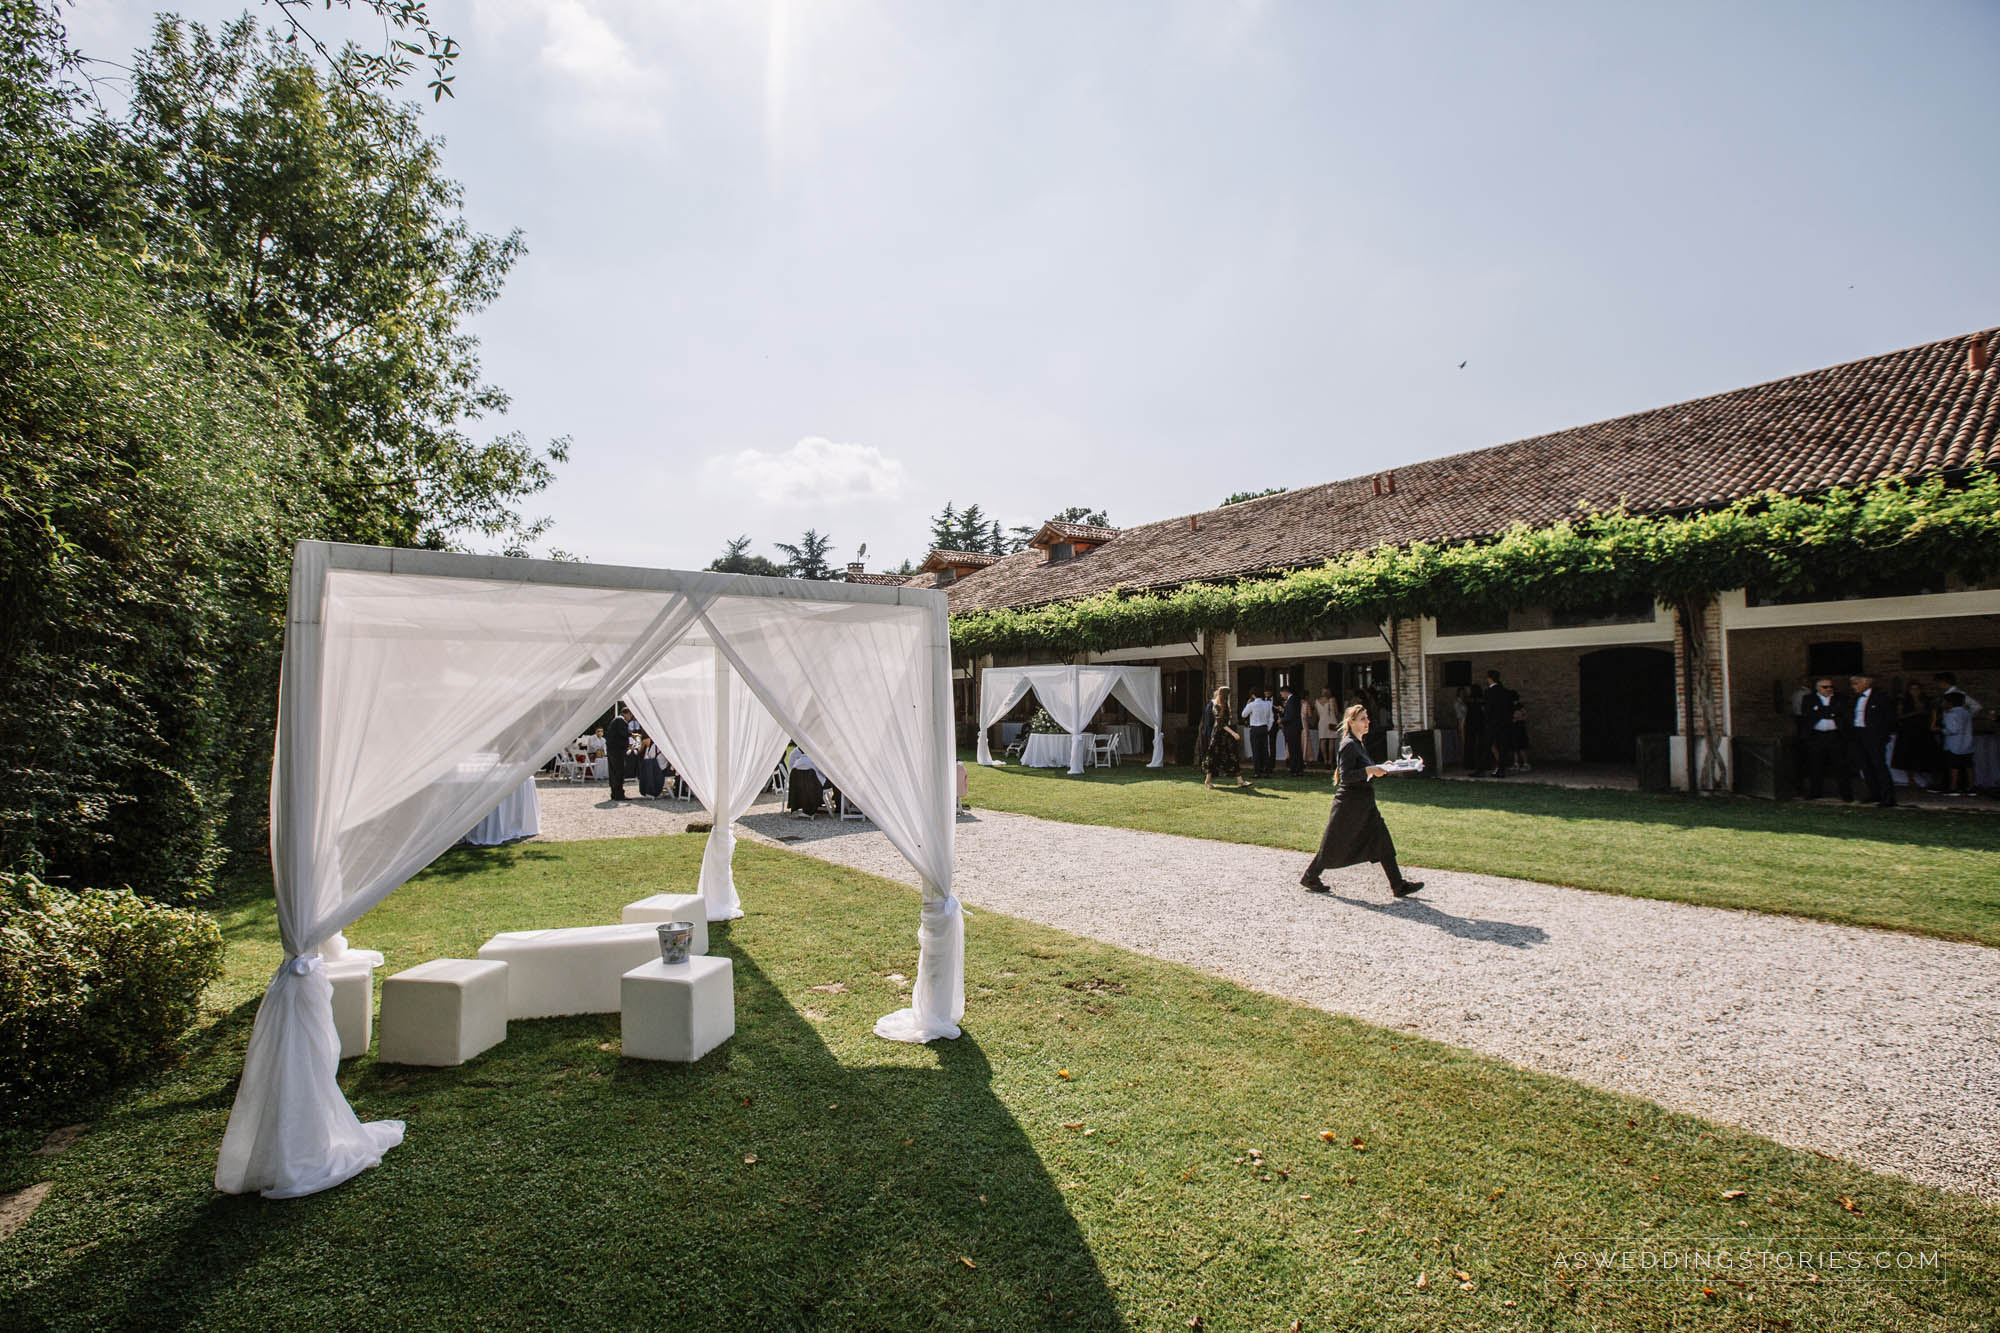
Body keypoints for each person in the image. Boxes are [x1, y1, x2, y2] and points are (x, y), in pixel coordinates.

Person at [1299, 703, 1424, 897]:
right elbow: (1346, 775)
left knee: (1382, 839)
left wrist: (1383, 767)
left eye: (1367, 718)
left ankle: (1398, 885)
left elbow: (1364, 771)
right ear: (1352, 722)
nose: (1368, 722)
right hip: (1349, 804)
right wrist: (1370, 770)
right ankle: (1310, 876)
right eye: (1363, 719)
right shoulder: (1349, 744)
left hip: (1364, 803)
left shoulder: (1358, 743)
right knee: (1334, 842)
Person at [1848, 672, 1895, 806]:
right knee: (1865, 766)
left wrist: (1883, 736)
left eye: (1856, 683)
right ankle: (1874, 793)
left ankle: (1888, 797)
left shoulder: (1880, 698)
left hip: (1874, 736)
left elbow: (1889, 718)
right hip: (1859, 734)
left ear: (1866, 683)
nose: (1853, 686)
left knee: (1879, 765)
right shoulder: (1855, 699)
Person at [1797, 677, 1847, 801]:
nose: (1829, 689)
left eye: (1831, 686)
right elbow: (1807, 714)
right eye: (1825, 687)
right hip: (1816, 736)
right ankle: (1815, 791)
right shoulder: (1809, 699)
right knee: (1815, 764)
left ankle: (1845, 793)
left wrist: (1820, 710)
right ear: (1818, 688)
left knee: (1839, 765)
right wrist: (1830, 712)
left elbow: (1842, 712)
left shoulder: (1839, 698)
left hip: (1834, 735)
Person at [1199, 686, 1250, 789]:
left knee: (1232, 756)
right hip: (1219, 735)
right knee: (1214, 757)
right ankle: (1207, 781)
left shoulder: (1223, 705)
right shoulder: (1217, 706)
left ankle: (1240, 781)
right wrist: (1233, 733)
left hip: (1223, 735)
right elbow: (1220, 723)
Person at [1893, 682, 1937, 790]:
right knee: (1908, 754)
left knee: (1926, 754)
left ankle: (1930, 779)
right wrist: (1915, 713)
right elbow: (1899, 716)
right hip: (1909, 730)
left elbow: (1932, 713)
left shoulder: (1926, 701)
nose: (1915, 691)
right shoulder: (1904, 702)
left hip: (1923, 730)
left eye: (1917, 689)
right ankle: (1911, 779)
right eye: (1912, 689)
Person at [1938, 690, 1975, 796]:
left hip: (1954, 745)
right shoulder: (1967, 712)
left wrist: (1941, 729)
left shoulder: (1950, 714)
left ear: (1949, 703)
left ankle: (1953, 788)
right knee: (1969, 766)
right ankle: (1971, 787)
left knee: (1954, 766)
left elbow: (1952, 730)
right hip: (1967, 744)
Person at [1482, 670, 1516, 777]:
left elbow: (1488, 709)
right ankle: (1501, 770)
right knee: (1502, 747)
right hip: (1504, 723)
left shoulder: (1488, 692)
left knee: (1486, 745)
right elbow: (1510, 708)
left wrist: (1486, 719)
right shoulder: (1505, 692)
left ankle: (1481, 769)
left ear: (1490, 678)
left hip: (1492, 723)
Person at [1241, 687, 1276, 778]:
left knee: (1256, 750)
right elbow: (1271, 718)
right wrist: (1268, 728)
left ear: (1253, 695)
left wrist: (1247, 704)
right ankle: (1267, 771)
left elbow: (1243, 714)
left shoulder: (1251, 705)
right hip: (1264, 727)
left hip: (1255, 728)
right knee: (1265, 750)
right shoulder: (1268, 704)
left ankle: (1257, 772)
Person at [787, 748, 826, 816]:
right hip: (814, 786)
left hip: (799, 785)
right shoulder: (813, 761)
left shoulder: (797, 762)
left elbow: (792, 771)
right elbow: (822, 773)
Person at [604, 706, 632, 801]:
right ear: (627, 713)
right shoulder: (620, 720)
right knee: (619, 772)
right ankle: (619, 794)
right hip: (617, 751)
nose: (630, 718)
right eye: (630, 715)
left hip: (613, 750)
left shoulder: (616, 720)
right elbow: (623, 733)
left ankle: (615, 793)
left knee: (614, 772)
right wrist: (631, 734)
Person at [1280, 685, 1306, 778]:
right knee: (1297, 749)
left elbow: (1290, 716)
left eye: (1282, 694)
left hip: (1292, 728)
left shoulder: (1291, 700)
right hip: (1295, 728)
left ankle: (1294, 770)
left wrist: (1281, 720)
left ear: (1285, 692)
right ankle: (1299, 769)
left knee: (1293, 749)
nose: (1281, 696)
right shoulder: (1294, 700)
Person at [1463, 687, 1487, 776]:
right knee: (1481, 745)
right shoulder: (1482, 701)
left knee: (1470, 745)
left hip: (1472, 725)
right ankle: (1483, 765)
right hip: (1481, 725)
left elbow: (1468, 714)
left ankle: (1471, 764)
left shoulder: (1469, 702)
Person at [1316, 687, 1339, 766]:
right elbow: (1336, 712)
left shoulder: (1317, 701)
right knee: (1331, 741)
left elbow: (1318, 714)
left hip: (1322, 722)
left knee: (1322, 741)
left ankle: (1325, 760)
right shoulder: (1332, 700)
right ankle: (1330, 760)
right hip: (1332, 721)